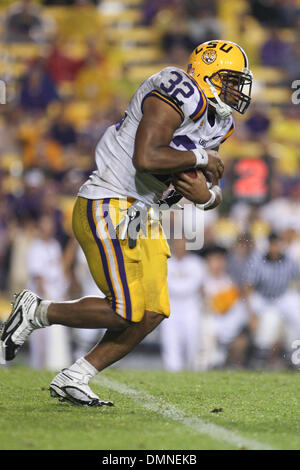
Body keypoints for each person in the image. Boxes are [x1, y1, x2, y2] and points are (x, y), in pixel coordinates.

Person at [0, 40, 253, 406]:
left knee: (152, 311)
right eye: (230, 79)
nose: (237, 89)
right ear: (207, 72)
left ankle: (77, 376)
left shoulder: (221, 122)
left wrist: (209, 197)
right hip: (109, 199)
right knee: (125, 309)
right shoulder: (176, 88)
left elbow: (193, 184)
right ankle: (37, 311)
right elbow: (147, 157)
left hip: (143, 213)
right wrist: (199, 157)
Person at [243, 232, 300, 369]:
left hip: (283, 297)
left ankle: (294, 359)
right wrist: (251, 315)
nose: (275, 248)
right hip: (263, 298)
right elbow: (247, 287)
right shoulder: (258, 260)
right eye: (273, 244)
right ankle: (258, 360)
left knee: (296, 322)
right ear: (268, 245)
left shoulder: (289, 260)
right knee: (269, 323)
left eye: (277, 244)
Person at [160, 237, 204, 371]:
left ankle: (192, 369)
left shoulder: (196, 263)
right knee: (170, 342)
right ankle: (173, 372)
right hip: (171, 307)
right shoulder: (166, 263)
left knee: (192, 341)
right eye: (177, 244)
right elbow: (166, 284)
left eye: (183, 244)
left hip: (190, 307)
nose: (180, 247)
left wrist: (178, 287)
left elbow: (194, 285)